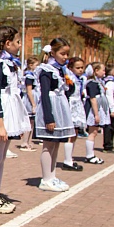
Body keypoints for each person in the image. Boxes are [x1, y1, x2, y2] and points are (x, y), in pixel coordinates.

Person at [0, 26, 30, 214]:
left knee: (1, 157)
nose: (20, 45)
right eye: (17, 42)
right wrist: (0, 124)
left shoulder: (11, 64)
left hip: (9, 113)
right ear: (8, 43)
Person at [34, 39, 75, 192]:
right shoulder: (46, 70)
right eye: (62, 54)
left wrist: (70, 85)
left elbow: (66, 90)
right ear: (53, 53)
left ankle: (52, 176)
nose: (65, 57)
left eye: (67, 54)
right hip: (51, 107)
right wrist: (49, 118)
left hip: (60, 106)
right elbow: (45, 94)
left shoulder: (61, 70)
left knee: (56, 144)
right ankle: (45, 179)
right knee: (48, 144)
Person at [82, 62, 109, 164]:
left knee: (94, 132)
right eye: (103, 70)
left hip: (97, 109)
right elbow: (93, 99)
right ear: (96, 71)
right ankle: (89, 155)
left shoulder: (98, 82)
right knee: (93, 132)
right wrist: (96, 114)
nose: (104, 72)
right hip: (93, 110)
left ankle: (90, 154)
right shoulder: (92, 83)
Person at [62, 57, 85, 172]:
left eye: (82, 67)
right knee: (71, 133)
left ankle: (70, 158)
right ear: (71, 68)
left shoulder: (79, 79)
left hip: (77, 104)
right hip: (71, 104)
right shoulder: (69, 78)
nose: (80, 70)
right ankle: (67, 160)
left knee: (75, 133)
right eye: (78, 68)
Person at [19, 56, 40, 151]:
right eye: (36, 65)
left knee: (32, 122)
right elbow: (29, 91)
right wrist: (33, 104)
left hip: (35, 97)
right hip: (30, 100)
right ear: (31, 65)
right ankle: (24, 141)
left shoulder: (34, 75)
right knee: (28, 121)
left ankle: (28, 141)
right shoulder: (29, 76)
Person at [102, 64, 114, 154]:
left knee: (112, 127)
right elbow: (109, 96)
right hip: (111, 108)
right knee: (110, 127)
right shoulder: (110, 82)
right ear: (112, 72)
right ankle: (108, 146)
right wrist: (112, 109)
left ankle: (110, 144)